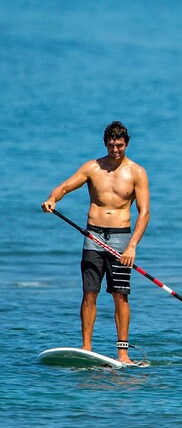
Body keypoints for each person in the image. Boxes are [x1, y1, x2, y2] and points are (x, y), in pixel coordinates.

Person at [41, 121, 150, 365]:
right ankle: (86, 347)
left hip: (122, 240)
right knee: (89, 293)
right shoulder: (93, 167)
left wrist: (132, 246)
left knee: (120, 296)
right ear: (105, 143)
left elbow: (145, 213)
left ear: (127, 144)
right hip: (93, 238)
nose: (115, 150)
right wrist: (52, 198)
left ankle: (123, 353)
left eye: (120, 145)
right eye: (111, 145)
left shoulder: (137, 172)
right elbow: (65, 186)